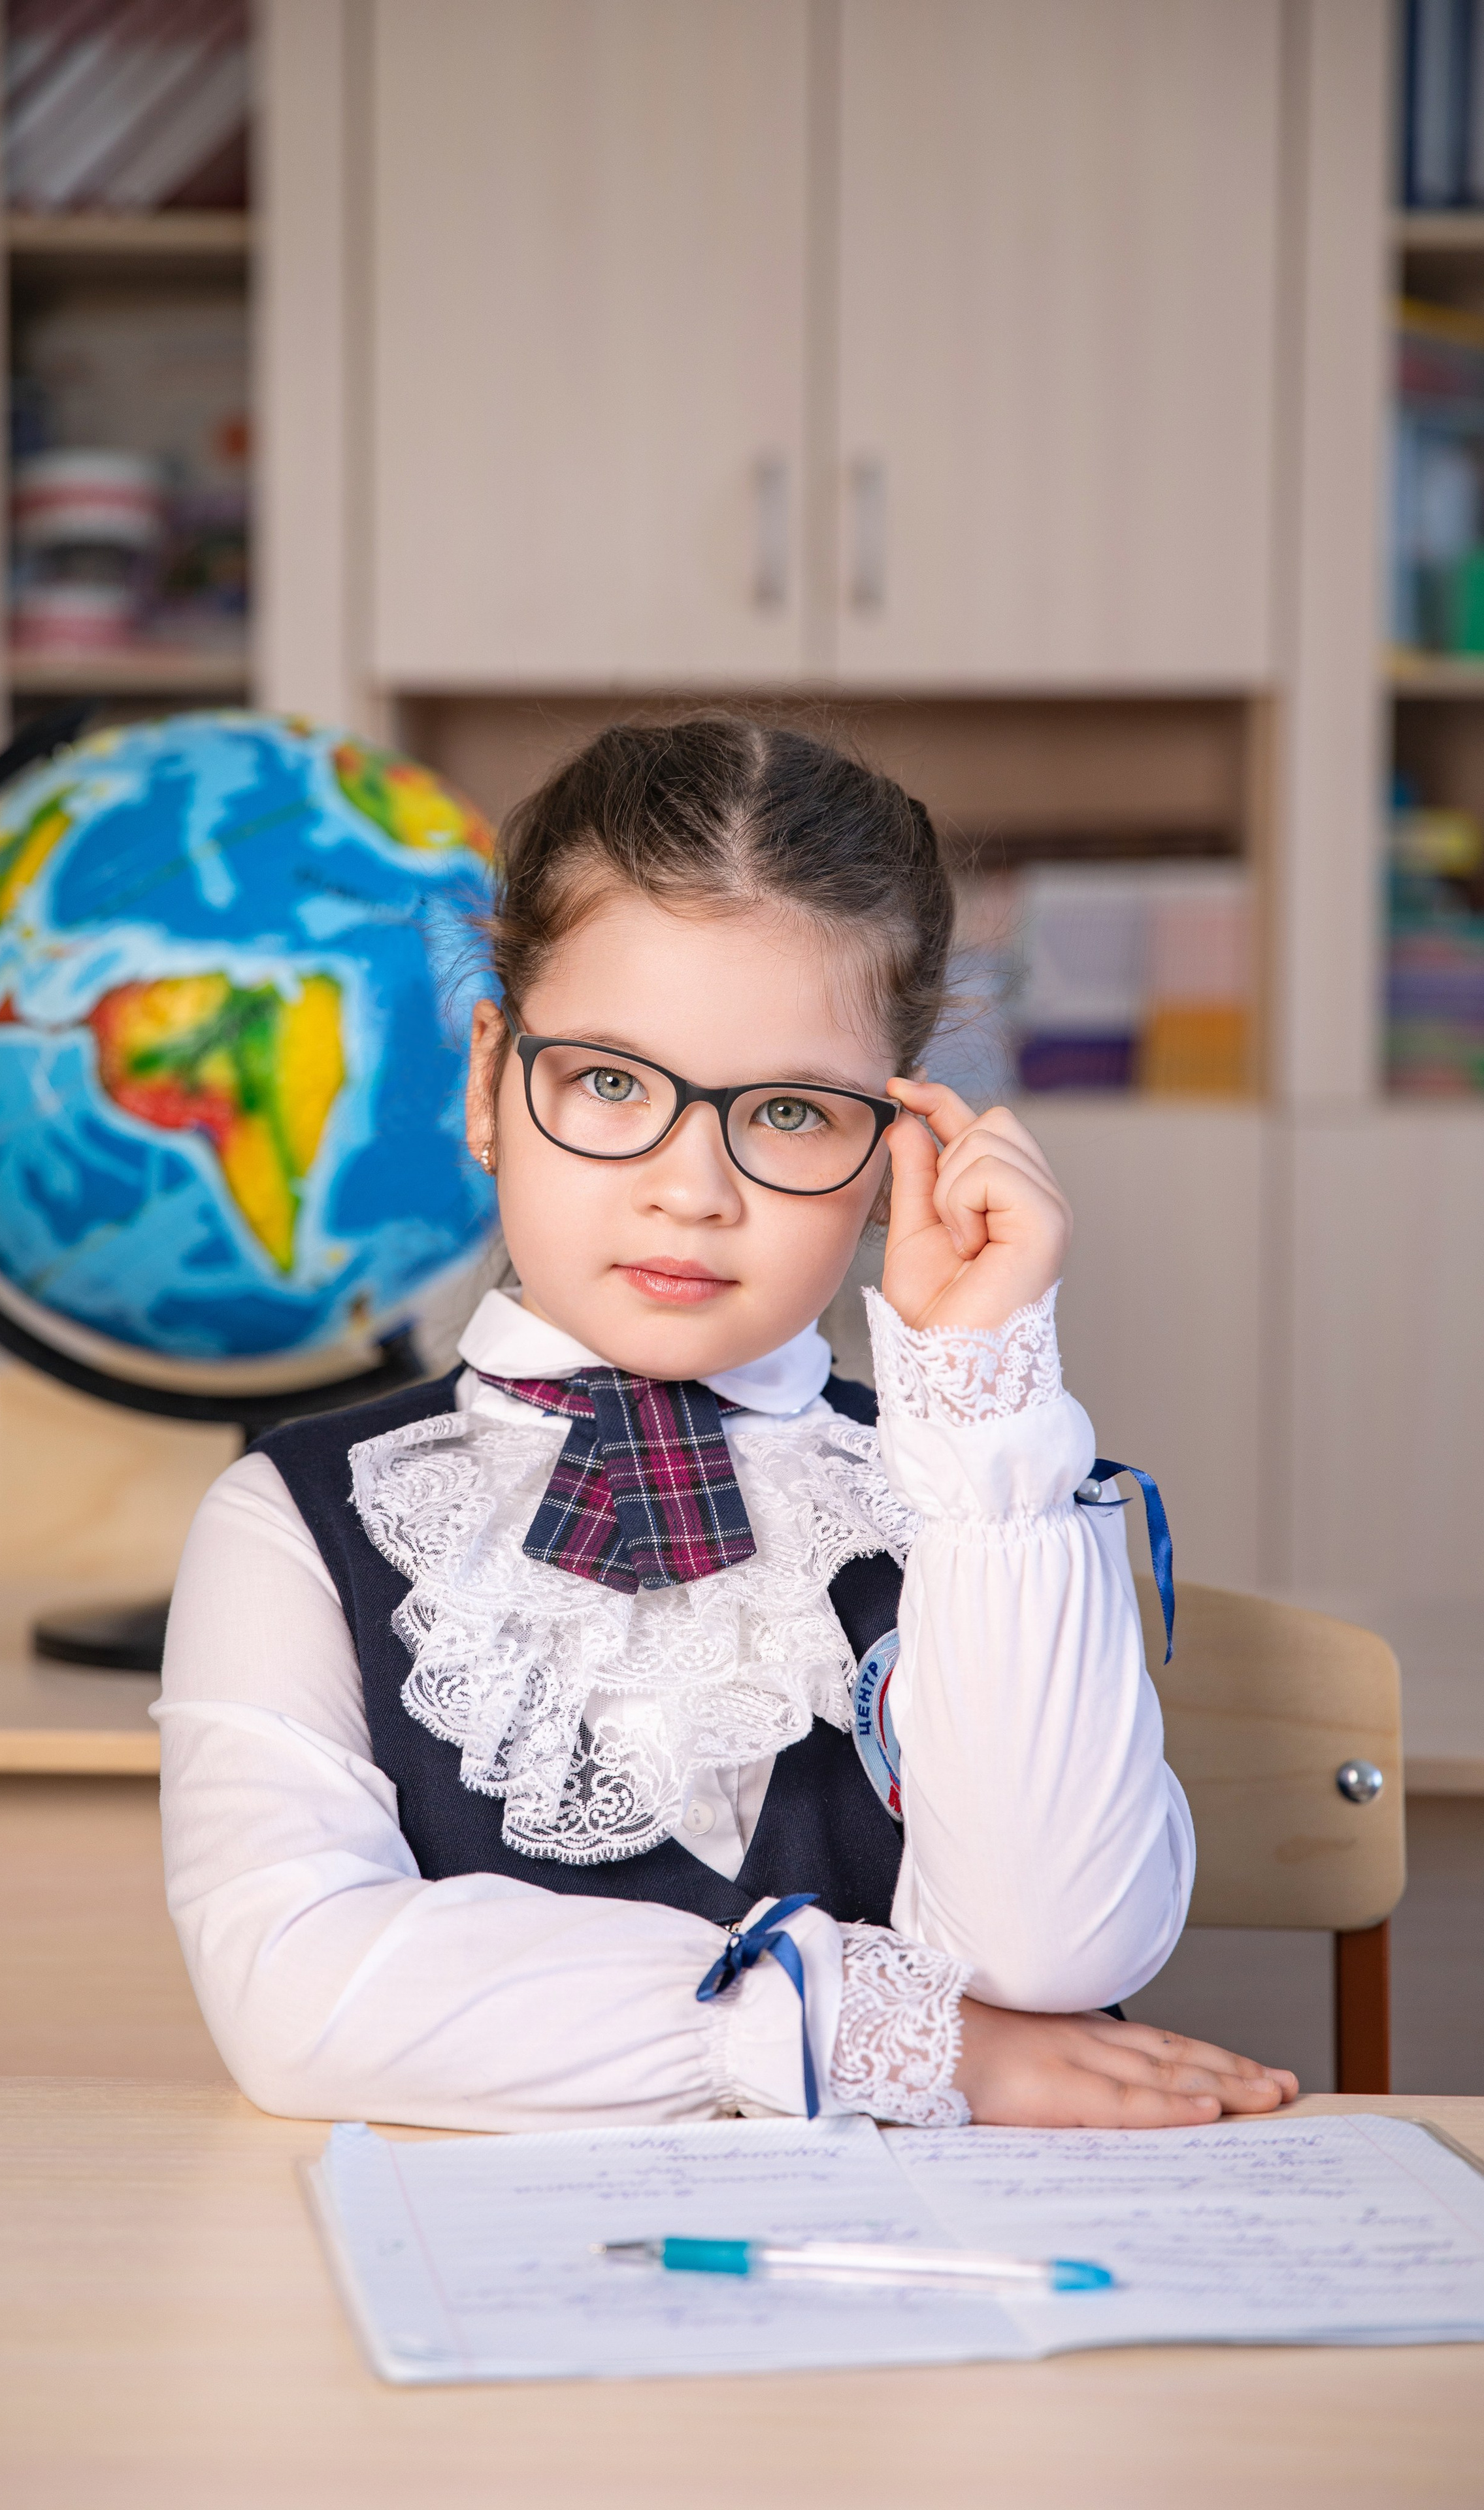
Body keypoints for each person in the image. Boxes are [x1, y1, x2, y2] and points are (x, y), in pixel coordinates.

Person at [157, 716, 1298, 2134]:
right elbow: (298, 1992)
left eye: (790, 1113)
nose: (689, 1190)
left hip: (942, 2293)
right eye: (611, 1083)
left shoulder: (969, 1482)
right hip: (495, 2300)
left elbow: (1057, 1949)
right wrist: (888, 2037)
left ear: (897, 1146)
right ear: (487, 1080)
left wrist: (982, 1405)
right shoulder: (294, 1519)